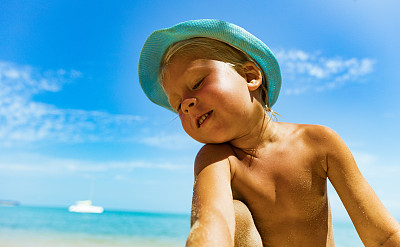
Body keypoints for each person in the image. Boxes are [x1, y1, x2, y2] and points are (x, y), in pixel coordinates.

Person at [138, 19, 400, 246]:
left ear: (251, 75)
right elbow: (213, 221)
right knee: (235, 213)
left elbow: (382, 236)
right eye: (177, 105)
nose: (187, 104)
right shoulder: (216, 160)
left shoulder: (319, 142)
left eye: (197, 83)